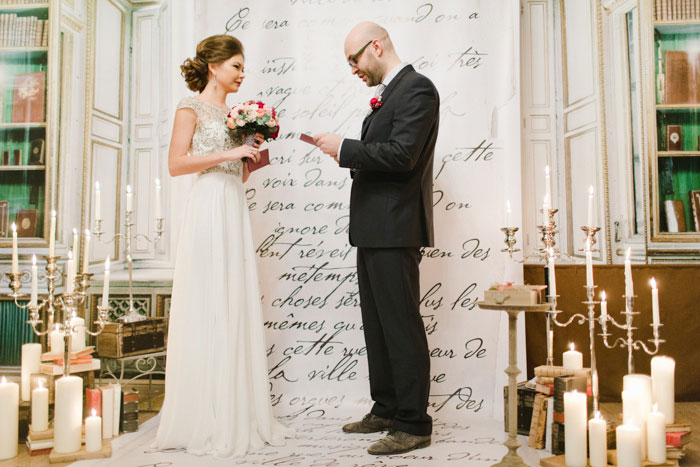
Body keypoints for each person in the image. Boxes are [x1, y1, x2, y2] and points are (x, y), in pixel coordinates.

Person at [153, 34, 293, 457]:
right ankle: (204, 414)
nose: (242, 73)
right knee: (208, 298)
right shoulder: (189, 107)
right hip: (208, 204)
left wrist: (247, 159)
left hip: (232, 201)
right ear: (214, 67)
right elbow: (177, 164)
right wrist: (229, 152)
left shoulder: (233, 114)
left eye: (242, 67)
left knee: (232, 298)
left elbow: (235, 173)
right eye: (236, 66)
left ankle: (238, 408)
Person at [314, 22, 440, 456]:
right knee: (378, 325)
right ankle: (386, 407)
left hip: (395, 227)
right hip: (374, 228)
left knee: (400, 325)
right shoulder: (392, 92)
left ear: (377, 46)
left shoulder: (417, 88)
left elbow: (403, 154)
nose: (352, 69)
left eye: (354, 59)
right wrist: (346, 151)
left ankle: (413, 423)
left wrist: (344, 147)